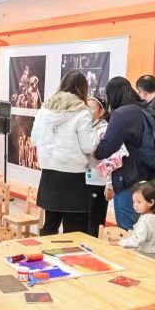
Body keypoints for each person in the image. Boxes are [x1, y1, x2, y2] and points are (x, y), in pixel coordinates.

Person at [31, 71, 99, 235]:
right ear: (83, 88)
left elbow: (34, 139)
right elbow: (89, 146)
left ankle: (46, 252)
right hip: (73, 177)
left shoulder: (44, 109)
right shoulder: (82, 112)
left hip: (49, 173)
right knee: (74, 231)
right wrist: (98, 137)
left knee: (50, 226)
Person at [94, 78, 153, 230]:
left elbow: (107, 147)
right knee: (143, 228)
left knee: (127, 229)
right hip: (149, 177)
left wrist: (93, 150)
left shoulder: (122, 113)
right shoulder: (144, 109)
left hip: (128, 177)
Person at [117, 180, 155, 262]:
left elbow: (137, 239)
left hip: (146, 254)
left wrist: (120, 243)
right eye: (133, 202)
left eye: (139, 202)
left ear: (151, 202)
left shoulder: (145, 222)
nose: (135, 205)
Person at [85, 96, 110, 237]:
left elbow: (103, 156)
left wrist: (109, 184)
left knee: (94, 223)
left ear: (101, 112)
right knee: (82, 220)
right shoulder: (85, 127)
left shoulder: (105, 129)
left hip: (97, 181)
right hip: (83, 179)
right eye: (86, 107)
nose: (87, 111)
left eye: (91, 108)